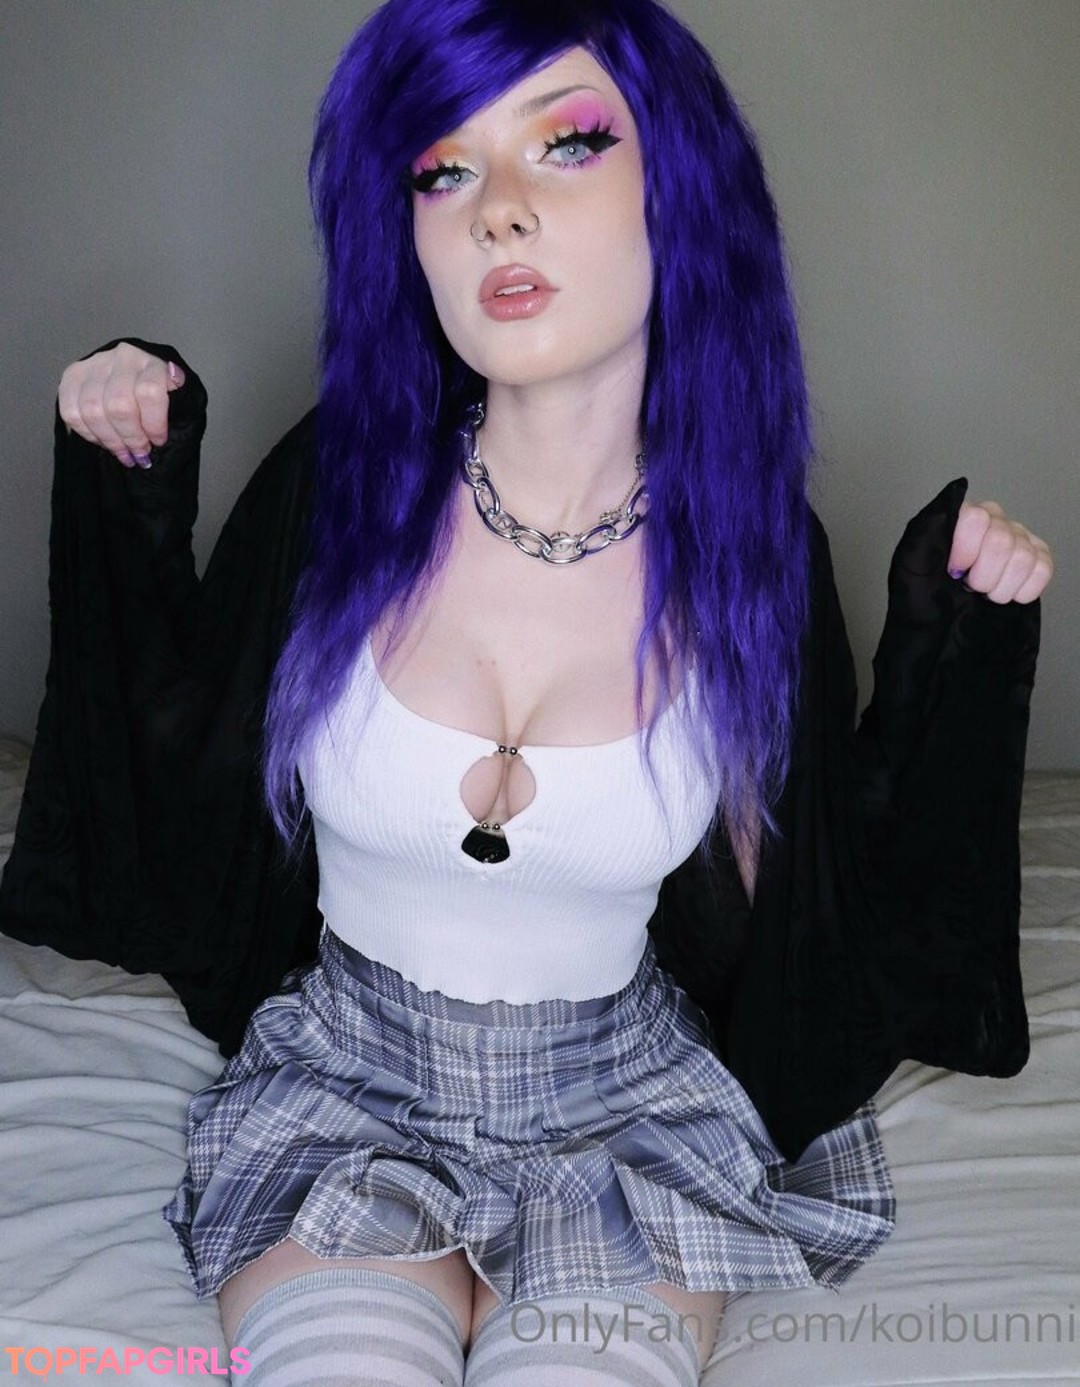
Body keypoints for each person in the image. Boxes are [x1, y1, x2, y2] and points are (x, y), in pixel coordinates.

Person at [2, 1, 1053, 1383]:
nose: (496, 209)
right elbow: (163, 746)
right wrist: (126, 470)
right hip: (345, 1091)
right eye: (444, 170)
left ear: (680, 188)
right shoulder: (340, 493)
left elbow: (834, 883)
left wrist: (956, 649)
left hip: (623, 1119)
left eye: (565, 144)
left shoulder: (749, 560)